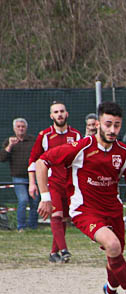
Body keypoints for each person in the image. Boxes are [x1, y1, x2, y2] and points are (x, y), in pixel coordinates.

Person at [35, 101, 126, 294]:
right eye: (108, 124)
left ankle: (110, 292)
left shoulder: (123, 153)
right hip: (85, 211)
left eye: (116, 125)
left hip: (113, 210)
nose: (112, 130)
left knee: (115, 254)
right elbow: (42, 162)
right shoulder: (82, 147)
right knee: (113, 245)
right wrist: (45, 197)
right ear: (98, 124)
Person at [27, 101, 82, 263]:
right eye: (56, 112)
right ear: (51, 116)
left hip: (70, 183)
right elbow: (34, 160)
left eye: (62, 111)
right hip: (52, 182)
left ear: (67, 114)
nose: (59, 114)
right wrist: (32, 183)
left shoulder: (76, 135)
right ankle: (64, 250)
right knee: (56, 215)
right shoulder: (44, 135)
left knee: (64, 218)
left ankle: (53, 253)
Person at [0, 118, 40, 231]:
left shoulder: (33, 140)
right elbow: (2, 158)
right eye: (18, 127)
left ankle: (33, 227)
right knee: (23, 200)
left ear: (26, 128)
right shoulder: (9, 141)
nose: (21, 129)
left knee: (35, 201)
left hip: (33, 177)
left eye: (23, 126)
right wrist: (10, 146)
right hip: (18, 178)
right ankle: (21, 227)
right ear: (14, 128)